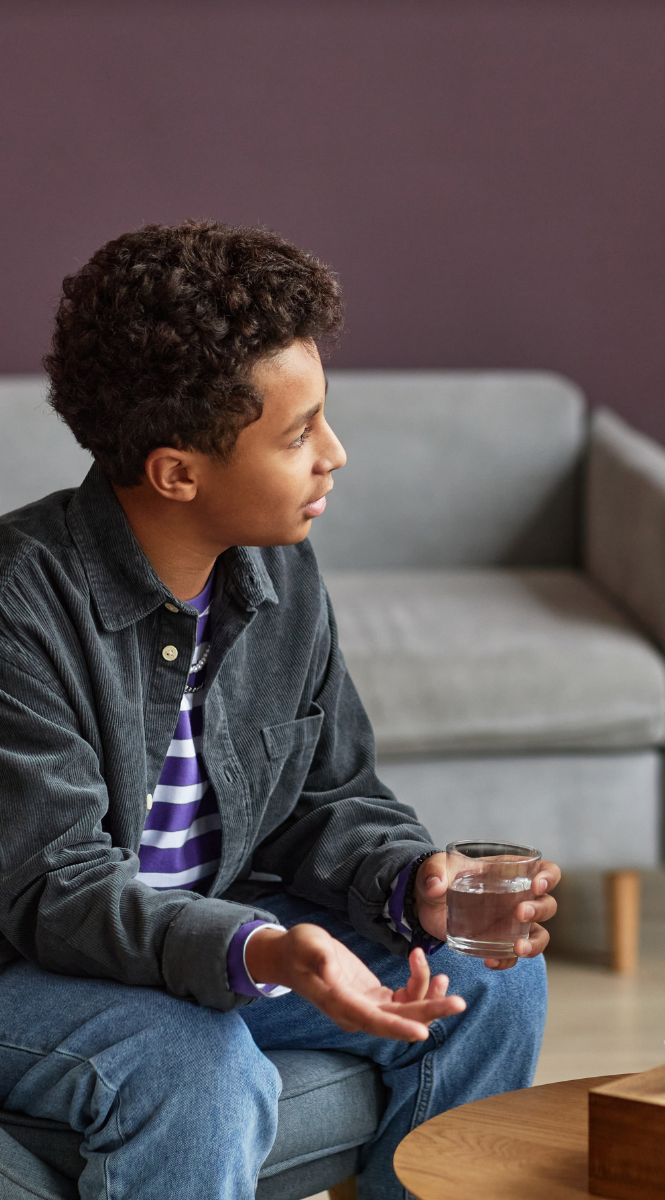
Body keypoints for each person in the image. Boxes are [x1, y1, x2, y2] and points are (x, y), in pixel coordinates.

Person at [0, 221, 559, 1200]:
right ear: (178, 471)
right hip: (33, 966)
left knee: (492, 978)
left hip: (214, 938)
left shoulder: (279, 575)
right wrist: (258, 949)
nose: (334, 456)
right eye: (297, 435)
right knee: (195, 1067)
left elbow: (327, 795)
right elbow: (57, 894)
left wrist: (412, 882)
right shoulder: (19, 607)